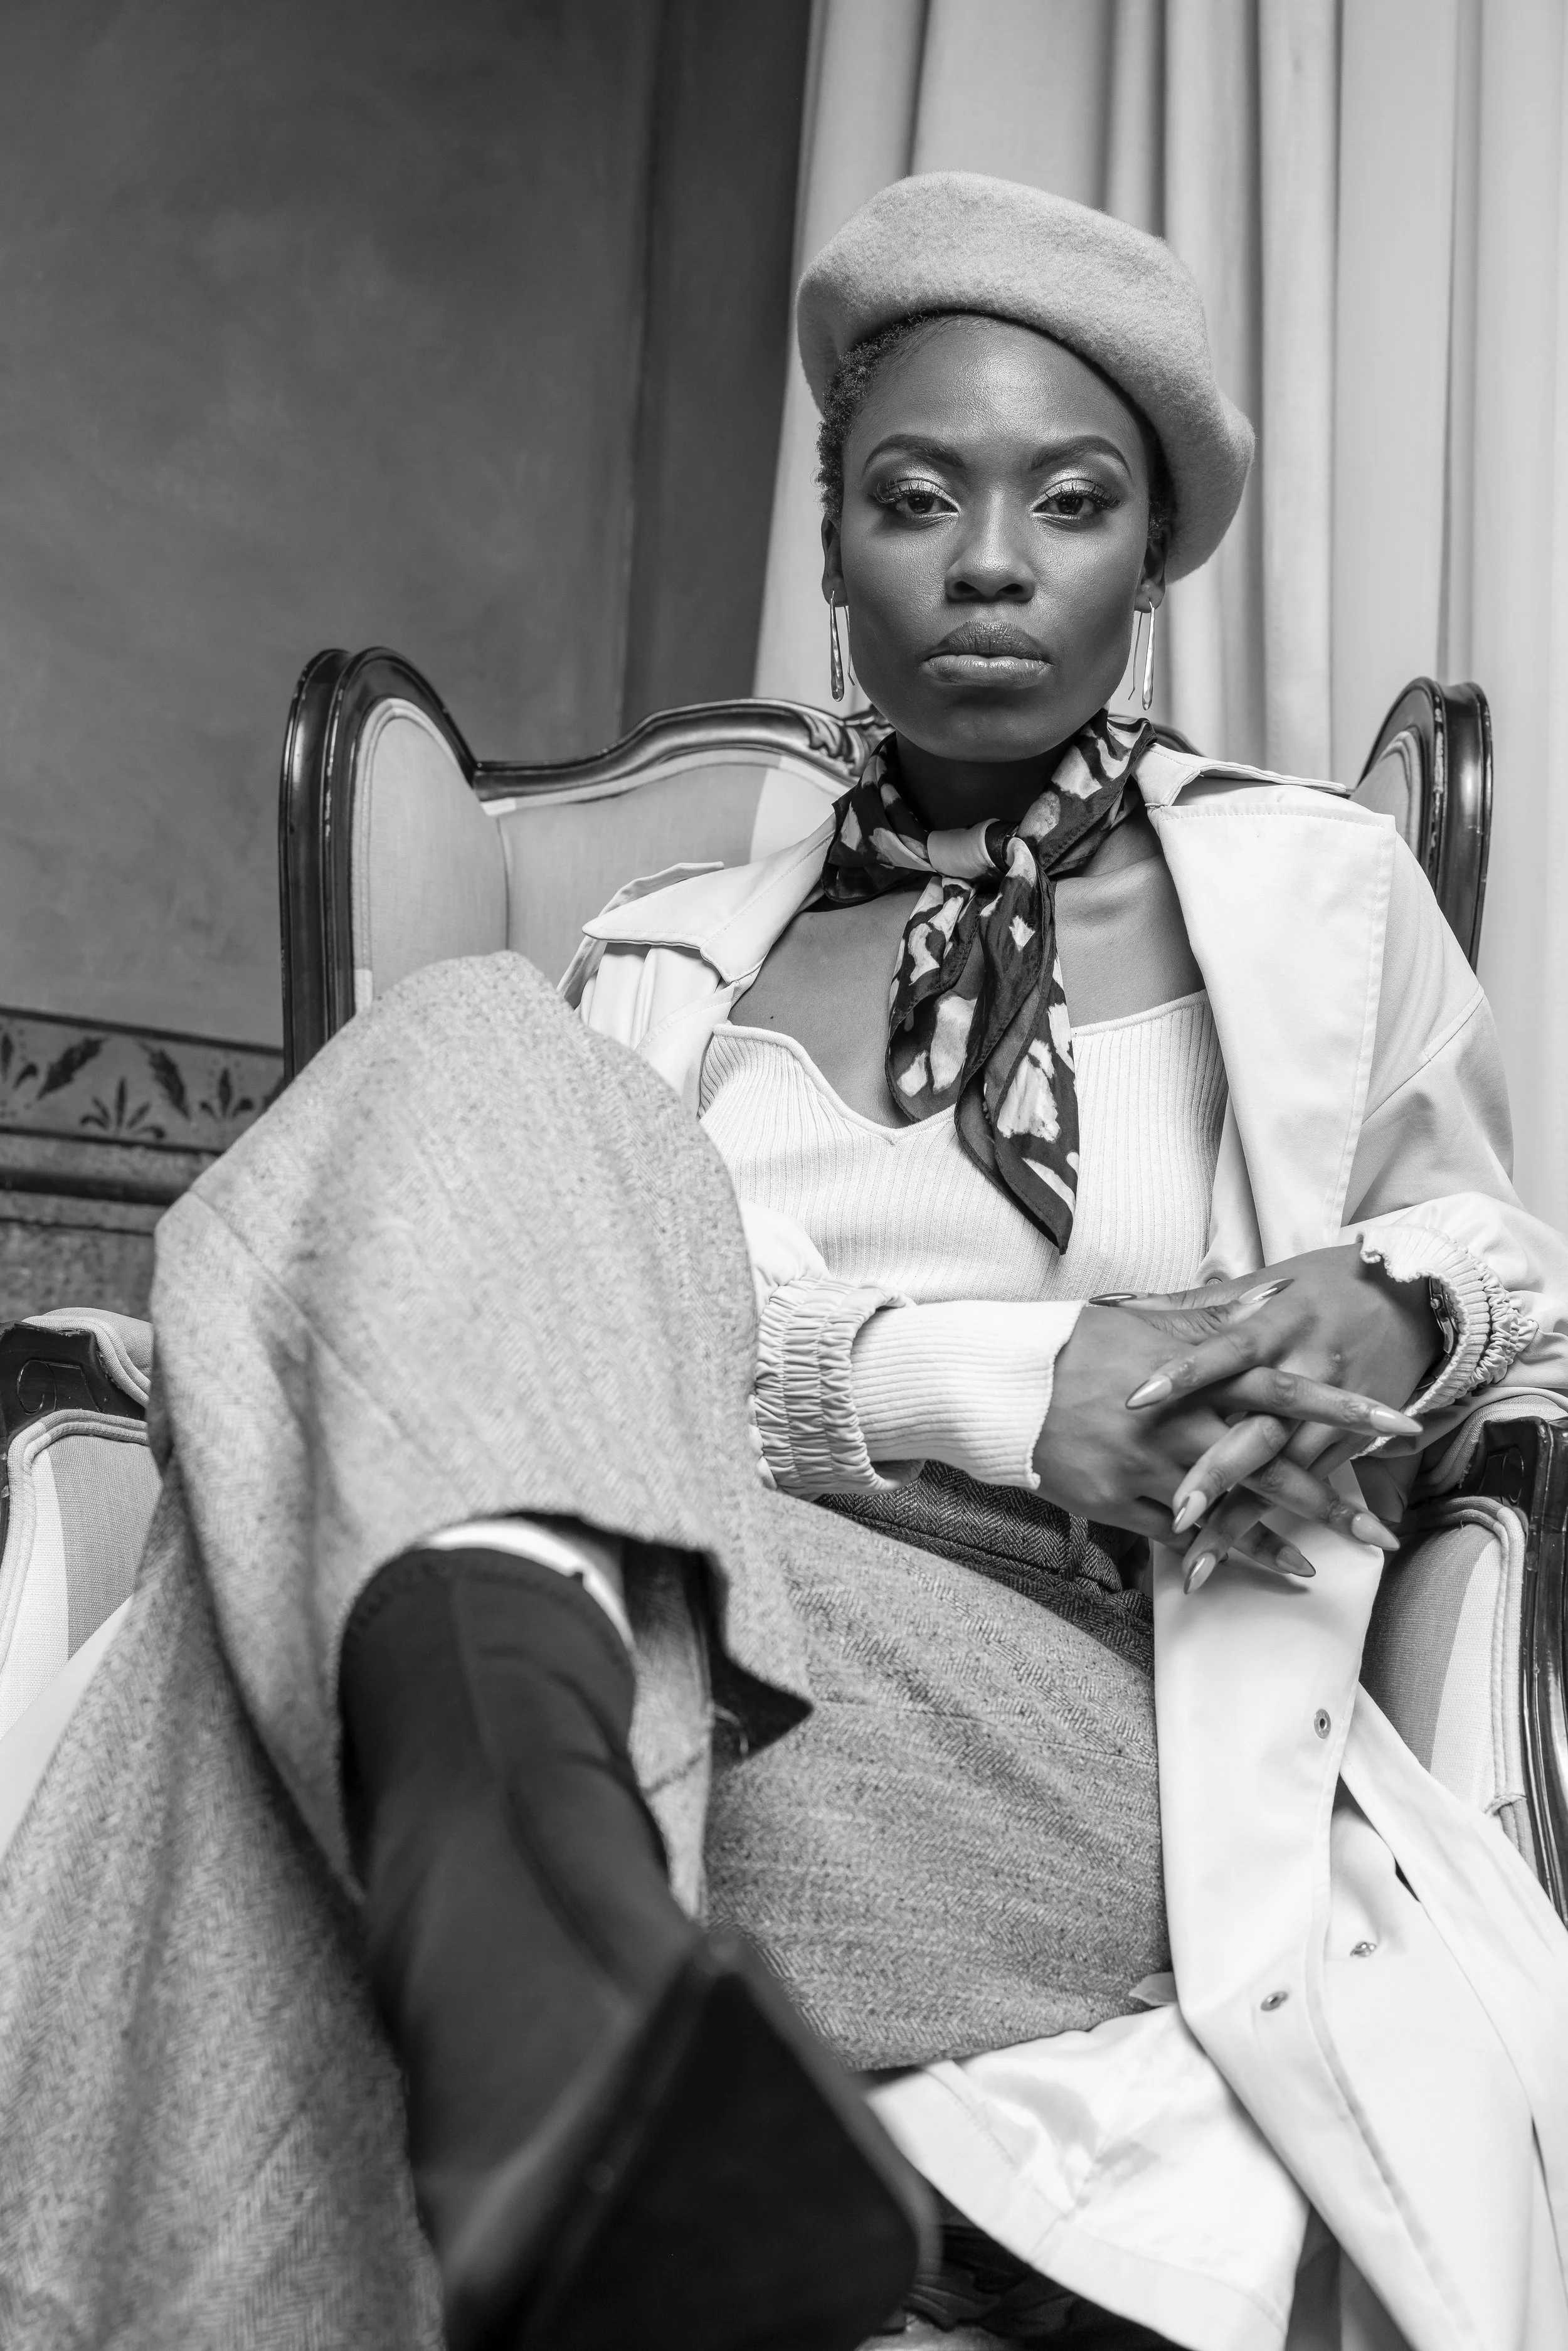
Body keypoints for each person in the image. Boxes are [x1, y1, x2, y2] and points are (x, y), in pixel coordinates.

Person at [0, 172, 1562, 2351]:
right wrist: (993, 1386)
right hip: (656, 1625)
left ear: (1149, 562)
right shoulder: (660, 961)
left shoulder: (1307, 899)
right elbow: (549, 1315)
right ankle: (556, 2002)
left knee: (261, 1649)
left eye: (1070, 502)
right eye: (915, 496)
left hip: (1099, 1718)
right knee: (464, 1048)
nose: (990, 559)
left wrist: (1390, 1302)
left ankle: (518, 1934)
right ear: (831, 549)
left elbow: (1515, 1274)